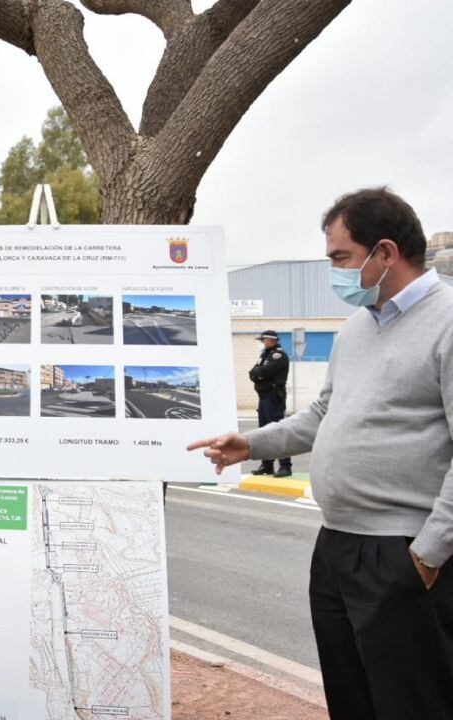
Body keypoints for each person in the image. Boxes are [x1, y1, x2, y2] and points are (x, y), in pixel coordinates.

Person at [189, 187, 453, 720]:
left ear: (385, 253)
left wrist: (428, 554)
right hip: (336, 546)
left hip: (401, 549)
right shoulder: (360, 326)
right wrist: (250, 444)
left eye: (340, 257)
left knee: (412, 703)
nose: (333, 270)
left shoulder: (447, 321)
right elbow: (320, 416)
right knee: (352, 698)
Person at [248, 330, 292, 477]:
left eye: (266, 340)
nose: (263, 342)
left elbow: (264, 372)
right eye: (263, 340)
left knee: (277, 431)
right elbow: (252, 373)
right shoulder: (265, 354)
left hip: (274, 398)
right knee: (263, 432)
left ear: (273, 340)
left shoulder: (278, 355)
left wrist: (258, 374)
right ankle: (267, 465)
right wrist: (257, 374)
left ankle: (285, 466)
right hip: (264, 396)